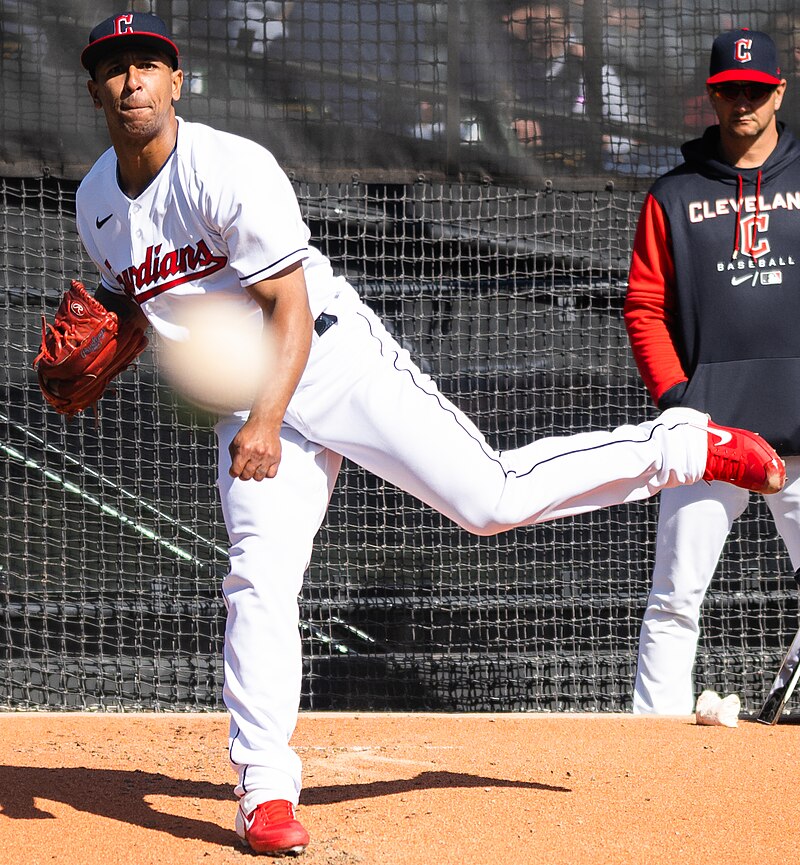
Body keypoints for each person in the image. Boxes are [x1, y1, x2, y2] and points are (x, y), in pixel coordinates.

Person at [73, 12, 785, 856]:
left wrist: (267, 417)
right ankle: (263, 791)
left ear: (177, 81)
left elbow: (291, 307)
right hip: (247, 401)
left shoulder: (228, 167)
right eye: (114, 69)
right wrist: (117, 328)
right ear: (93, 89)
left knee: (490, 499)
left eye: (147, 64)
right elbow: (147, 295)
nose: (132, 82)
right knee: (257, 579)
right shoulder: (93, 203)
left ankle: (681, 445)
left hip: (332, 361)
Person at [624, 28, 800, 715]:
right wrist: (680, 402)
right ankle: (653, 749)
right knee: (674, 597)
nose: (743, 103)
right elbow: (643, 306)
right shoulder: (673, 194)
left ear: (779, 91)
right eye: (730, 91)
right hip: (710, 437)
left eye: (756, 91)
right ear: (712, 95)